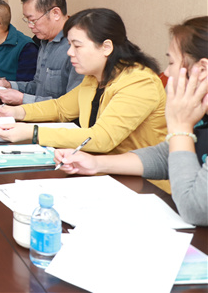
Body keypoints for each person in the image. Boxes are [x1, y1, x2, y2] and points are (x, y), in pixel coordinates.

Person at [56, 16, 207, 226]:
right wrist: (95, 163)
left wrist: (180, 128)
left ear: (202, 69)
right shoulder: (200, 113)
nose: (166, 72)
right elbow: (169, 155)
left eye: (172, 62)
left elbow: (196, 209)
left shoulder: (139, 80)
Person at [0, 8, 167, 154]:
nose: (70, 53)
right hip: (96, 166)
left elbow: (102, 138)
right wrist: (14, 112)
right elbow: (60, 108)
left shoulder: (140, 82)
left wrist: (34, 132)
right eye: (70, 45)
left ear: (106, 47)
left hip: (140, 180)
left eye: (77, 46)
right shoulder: (94, 77)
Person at [0, 0, 82, 104]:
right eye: (27, 20)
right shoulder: (44, 41)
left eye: (33, 20)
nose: (30, 25)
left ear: (55, 13)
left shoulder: (76, 47)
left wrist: (22, 99)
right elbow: (37, 87)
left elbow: (72, 105)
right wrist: (8, 85)